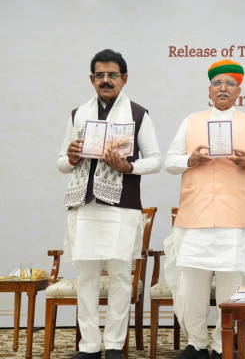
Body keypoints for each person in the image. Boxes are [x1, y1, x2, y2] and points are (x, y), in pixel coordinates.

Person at [164, 59, 245, 359]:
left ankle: (221, 344)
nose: (223, 88)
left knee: (232, 286)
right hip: (195, 216)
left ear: (239, 92)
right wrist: (190, 160)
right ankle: (196, 343)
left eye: (230, 83)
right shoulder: (191, 121)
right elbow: (170, 162)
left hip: (236, 219)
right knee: (192, 285)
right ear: (209, 91)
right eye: (217, 83)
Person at [58, 49, 162, 359]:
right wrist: (71, 157)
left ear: (124, 78)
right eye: (100, 75)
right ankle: (89, 347)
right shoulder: (78, 114)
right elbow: (61, 162)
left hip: (122, 206)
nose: (106, 80)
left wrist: (129, 167)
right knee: (86, 277)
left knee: (119, 277)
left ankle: (115, 346)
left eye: (112, 75)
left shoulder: (138, 114)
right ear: (92, 79)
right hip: (84, 205)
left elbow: (155, 160)